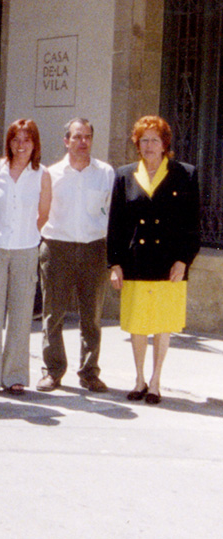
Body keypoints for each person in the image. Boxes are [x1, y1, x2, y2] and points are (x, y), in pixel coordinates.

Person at [107, 115, 200, 405]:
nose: (148, 145)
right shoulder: (125, 175)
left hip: (169, 263)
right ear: (137, 144)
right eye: (143, 140)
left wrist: (183, 260)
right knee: (137, 324)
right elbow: (116, 224)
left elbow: (192, 224)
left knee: (162, 323)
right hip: (135, 261)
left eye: (154, 140)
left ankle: (156, 381)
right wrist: (115, 264)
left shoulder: (184, 174)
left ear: (164, 144)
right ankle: (139, 379)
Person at [37, 119, 115, 393]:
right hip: (57, 248)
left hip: (94, 248)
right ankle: (52, 371)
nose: (83, 142)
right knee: (53, 314)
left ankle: (89, 372)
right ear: (66, 140)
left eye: (88, 137)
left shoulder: (105, 173)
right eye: (77, 137)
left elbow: (112, 213)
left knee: (91, 316)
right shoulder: (51, 174)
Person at [0, 119, 51, 395]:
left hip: (26, 249)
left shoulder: (42, 174)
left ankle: (15, 375)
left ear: (35, 144)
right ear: (8, 142)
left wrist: (26, 235)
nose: (21, 145)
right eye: (16, 139)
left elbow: (44, 214)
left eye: (27, 140)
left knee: (21, 313)